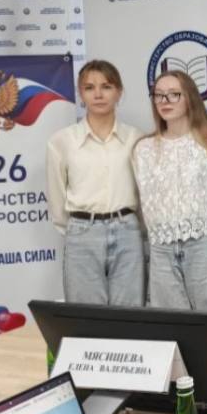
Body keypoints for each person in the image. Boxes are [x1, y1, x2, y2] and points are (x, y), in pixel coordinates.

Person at [133, 70, 207, 310]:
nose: (165, 101)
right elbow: (143, 203)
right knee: (169, 324)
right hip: (161, 249)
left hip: (204, 245)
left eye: (174, 94)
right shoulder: (143, 149)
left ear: (190, 97)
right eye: (159, 95)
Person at [46, 59, 145, 305]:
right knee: (87, 314)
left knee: (130, 312)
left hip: (128, 232)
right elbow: (57, 199)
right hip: (82, 232)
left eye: (106, 86)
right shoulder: (62, 141)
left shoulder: (137, 139)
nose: (98, 94)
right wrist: (78, 229)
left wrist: (136, 228)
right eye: (89, 88)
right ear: (81, 95)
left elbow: (145, 194)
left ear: (119, 92)